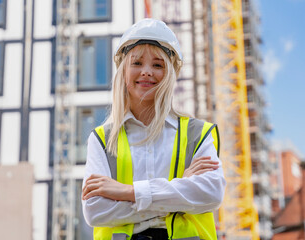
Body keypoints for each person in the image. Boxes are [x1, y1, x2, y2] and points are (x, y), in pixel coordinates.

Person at [82, 18, 226, 240]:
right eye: (137, 63)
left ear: (170, 73)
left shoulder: (198, 134)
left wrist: (128, 192)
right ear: (123, 70)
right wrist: (179, 192)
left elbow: (211, 193)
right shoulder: (101, 139)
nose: (147, 71)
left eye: (158, 65)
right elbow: (96, 210)